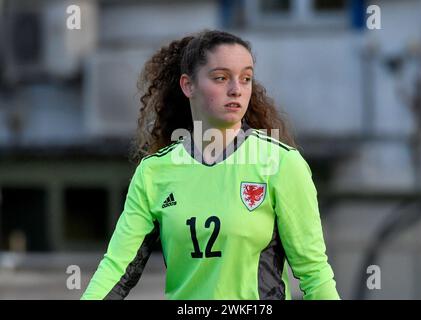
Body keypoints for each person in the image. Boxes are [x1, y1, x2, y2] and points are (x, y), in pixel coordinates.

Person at [81, 30, 340, 300]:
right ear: (188, 85)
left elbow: (314, 272)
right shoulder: (154, 172)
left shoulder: (281, 164)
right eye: (221, 78)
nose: (236, 90)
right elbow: (117, 268)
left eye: (246, 78)